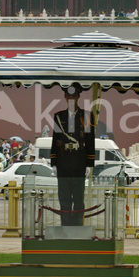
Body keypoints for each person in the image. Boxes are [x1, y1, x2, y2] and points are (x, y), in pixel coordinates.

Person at [50, 85, 95, 226]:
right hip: (63, 162)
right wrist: (54, 163)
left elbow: (90, 140)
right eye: (68, 96)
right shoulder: (58, 116)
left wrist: (89, 164)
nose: (71, 99)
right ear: (65, 97)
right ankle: (65, 227)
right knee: (64, 199)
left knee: (78, 198)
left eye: (73, 96)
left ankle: (77, 227)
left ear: (78, 97)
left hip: (79, 162)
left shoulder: (87, 116)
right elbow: (55, 139)